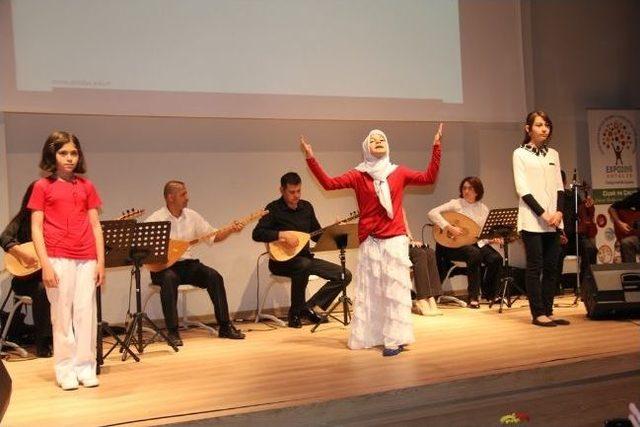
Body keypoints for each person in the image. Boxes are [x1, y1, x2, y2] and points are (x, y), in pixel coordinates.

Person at [301, 125, 442, 356]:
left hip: (395, 239)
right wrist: (311, 158)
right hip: (370, 240)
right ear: (366, 147)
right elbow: (329, 183)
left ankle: (395, 339)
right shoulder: (358, 174)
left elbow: (429, 177)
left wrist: (436, 146)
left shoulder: (399, 172)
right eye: (373, 139)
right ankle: (374, 335)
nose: (378, 141)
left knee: (394, 292)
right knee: (373, 292)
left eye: (382, 139)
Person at [28, 131, 104, 390]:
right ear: (53, 154)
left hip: (86, 258)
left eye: (73, 153)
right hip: (58, 257)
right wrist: (45, 263)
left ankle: (85, 367)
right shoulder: (42, 186)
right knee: (62, 315)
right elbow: (36, 228)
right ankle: (65, 370)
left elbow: (96, 225)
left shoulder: (87, 186)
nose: (69, 158)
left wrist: (101, 262)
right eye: (63, 153)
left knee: (86, 313)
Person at [146, 180, 246, 346]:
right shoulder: (155, 219)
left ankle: (225, 326)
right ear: (170, 197)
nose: (187, 197)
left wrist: (230, 229)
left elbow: (213, 235)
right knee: (169, 279)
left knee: (214, 276)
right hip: (164, 268)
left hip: (187, 265)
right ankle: (172, 332)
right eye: (183, 194)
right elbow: (146, 249)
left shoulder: (192, 216)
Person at [252, 172, 351, 328]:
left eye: (299, 191)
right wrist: (282, 235)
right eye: (292, 192)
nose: (296, 195)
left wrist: (335, 230)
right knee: (303, 265)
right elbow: (257, 234)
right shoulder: (273, 209)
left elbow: (316, 236)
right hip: (280, 262)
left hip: (305, 259)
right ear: (282, 190)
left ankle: (307, 308)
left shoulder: (306, 207)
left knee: (344, 275)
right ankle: (295, 313)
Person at [512, 111, 568, 327]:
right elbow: (522, 188)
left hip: (555, 220)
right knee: (535, 267)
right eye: (539, 125)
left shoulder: (553, 153)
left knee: (552, 267)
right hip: (533, 220)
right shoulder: (519, 154)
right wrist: (543, 214)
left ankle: (549, 310)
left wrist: (559, 212)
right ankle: (538, 314)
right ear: (528, 129)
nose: (544, 129)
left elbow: (559, 187)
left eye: (547, 125)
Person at [428, 177, 503, 308]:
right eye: (464, 188)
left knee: (496, 258)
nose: (466, 191)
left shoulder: (483, 208)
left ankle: (490, 293)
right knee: (474, 254)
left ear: (477, 191)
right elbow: (432, 213)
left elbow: (480, 234)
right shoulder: (456, 204)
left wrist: (491, 239)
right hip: (454, 246)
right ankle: (473, 296)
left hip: (475, 243)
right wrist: (449, 227)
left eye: (470, 188)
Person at [0, 182, 53, 357]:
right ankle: (42, 341)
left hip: (50, 274)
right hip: (25, 280)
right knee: (42, 289)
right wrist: (22, 254)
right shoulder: (23, 218)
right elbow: (5, 237)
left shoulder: (54, 220)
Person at [557, 170, 597, 289]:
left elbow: (584, 214)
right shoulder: (549, 197)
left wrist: (589, 206)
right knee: (556, 254)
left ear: (564, 182)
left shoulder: (572, 196)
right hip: (557, 238)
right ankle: (554, 287)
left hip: (574, 236)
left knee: (591, 250)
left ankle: (586, 285)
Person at [402, 209, 442, 316]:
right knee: (419, 254)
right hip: (394, 246)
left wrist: (412, 241)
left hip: (405, 243)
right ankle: (422, 298)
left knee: (429, 252)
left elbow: (407, 232)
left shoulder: (401, 209)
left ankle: (431, 297)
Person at [608, 190, 640, 263]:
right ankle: (630, 272)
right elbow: (612, 208)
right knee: (627, 242)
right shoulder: (637, 197)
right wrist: (620, 223)